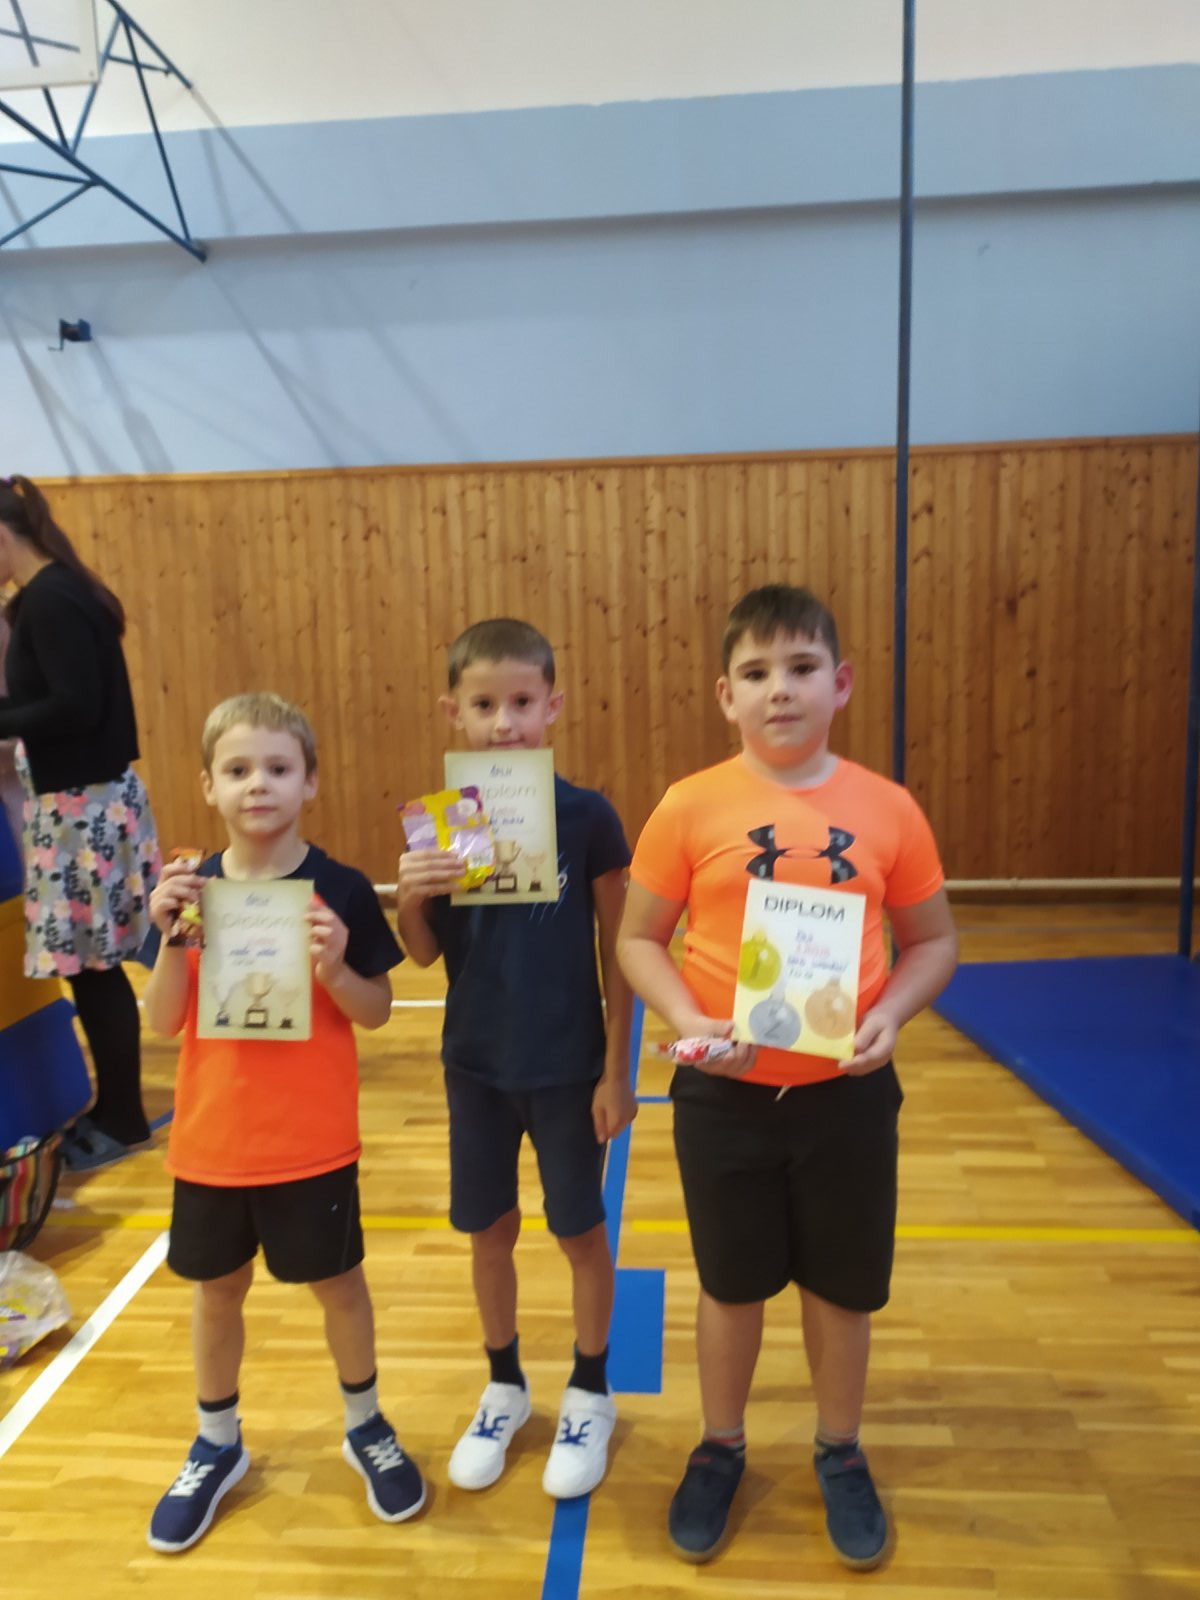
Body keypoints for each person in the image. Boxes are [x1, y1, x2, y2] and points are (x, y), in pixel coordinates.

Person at [617, 584, 958, 1568]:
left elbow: (935, 941)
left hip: (847, 1096)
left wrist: (892, 1013)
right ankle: (720, 1445)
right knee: (731, 1285)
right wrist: (688, 1019)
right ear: (726, 694)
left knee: (841, 1289)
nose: (781, 690)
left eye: (802, 668)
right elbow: (638, 939)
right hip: (722, 1096)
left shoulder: (889, 808)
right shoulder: (690, 805)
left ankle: (839, 1448)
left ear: (839, 683)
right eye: (757, 673)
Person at [141, 692, 424, 1553]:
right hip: (212, 1145)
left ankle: (365, 1423)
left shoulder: (341, 890)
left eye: (276, 768)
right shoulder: (193, 891)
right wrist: (169, 938)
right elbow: (163, 1020)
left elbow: (377, 1010)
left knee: (340, 1288)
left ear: (310, 782)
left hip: (312, 1144)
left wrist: (336, 968)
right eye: (237, 770)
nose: (257, 784)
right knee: (217, 1292)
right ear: (209, 786)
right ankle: (216, 1442)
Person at [396, 618, 635, 1500]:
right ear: (452, 712)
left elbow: (621, 949)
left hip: (568, 1067)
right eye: (485, 705)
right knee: (488, 1230)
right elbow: (424, 953)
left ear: (553, 707)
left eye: (523, 702)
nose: (505, 723)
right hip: (476, 1066)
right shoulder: (444, 822)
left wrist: (618, 1071)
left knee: (578, 1231)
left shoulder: (588, 817)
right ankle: (504, 1384)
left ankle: (591, 1389)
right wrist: (409, 895)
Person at [0, 475, 160, 1170]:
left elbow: (75, 704)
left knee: (94, 972)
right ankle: (116, 1109)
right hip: (83, 804)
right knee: (94, 970)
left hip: (81, 808)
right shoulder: (56, 592)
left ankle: (123, 1118)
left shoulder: (50, 599)